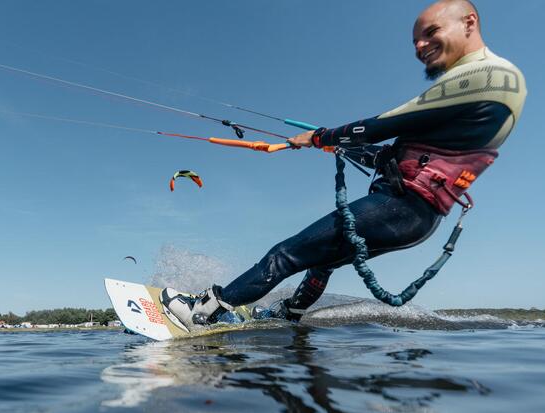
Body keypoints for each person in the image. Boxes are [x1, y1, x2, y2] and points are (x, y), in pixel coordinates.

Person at [162, 0, 526, 328]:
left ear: (469, 22)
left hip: (398, 206)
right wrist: (346, 149)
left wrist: (320, 137)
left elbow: (385, 125)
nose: (419, 46)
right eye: (415, 39)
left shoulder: (488, 75)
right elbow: (406, 152)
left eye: (431, 32)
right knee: (323, 261)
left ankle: (204, 310)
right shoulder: (480, 96)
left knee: (287, 253)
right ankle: (292, 312)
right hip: (418, 218)